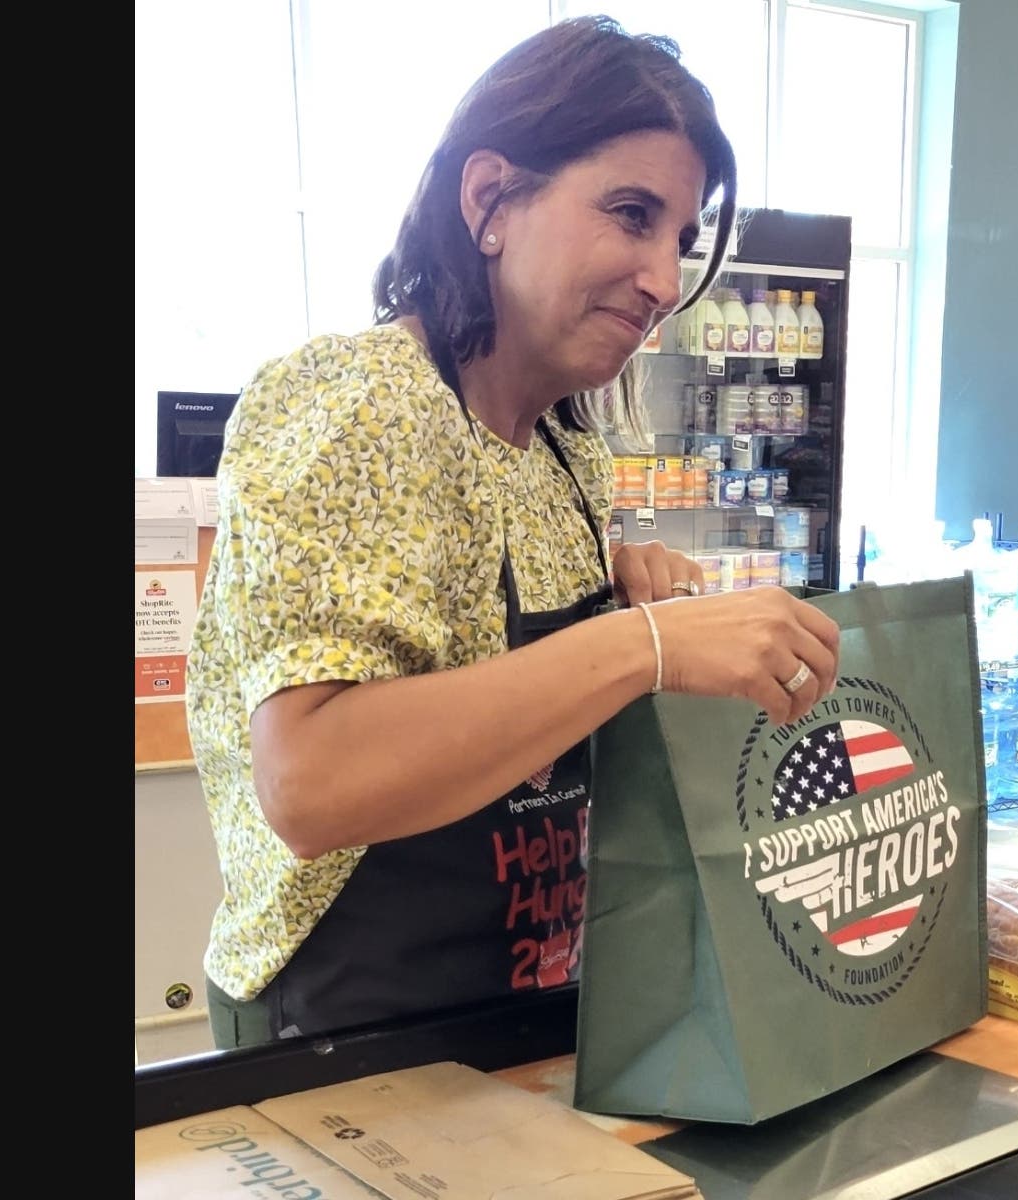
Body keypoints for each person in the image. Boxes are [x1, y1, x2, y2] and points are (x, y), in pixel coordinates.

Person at [186, 14, 842, 1050]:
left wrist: (633, 604)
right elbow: (309, 785)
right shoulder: (358, 405)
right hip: (356, 1030)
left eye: (678, 239)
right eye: (630, 213)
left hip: (532, 1004)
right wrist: (637, 647)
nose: (664, 282)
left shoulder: (565, 456)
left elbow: (503, 696)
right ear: (490, 197)